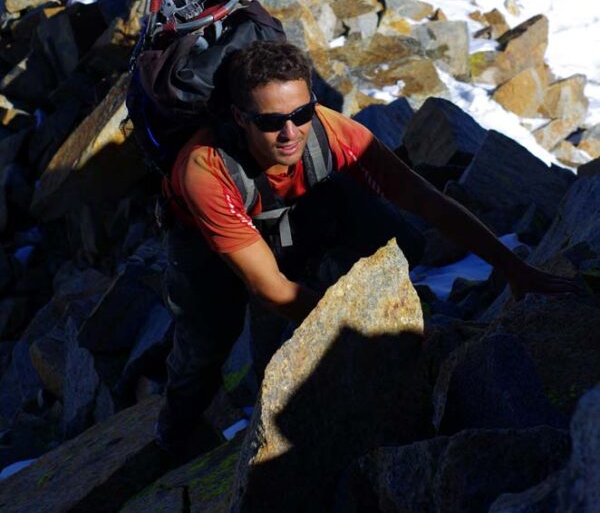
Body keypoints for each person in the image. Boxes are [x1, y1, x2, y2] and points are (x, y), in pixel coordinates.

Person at [156, 41, 576, 456]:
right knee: (204, 346)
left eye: (302, 114)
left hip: (287, 211)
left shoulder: (332, 131)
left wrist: (514, 268)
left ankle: (297, 354)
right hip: (206, 243)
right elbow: (270, 288)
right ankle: (174, 439)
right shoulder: (204, 169)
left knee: (393, 236)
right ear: (239, 117)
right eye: (271, 122)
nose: (290, 133)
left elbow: (426, 200)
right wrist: (365, 334)